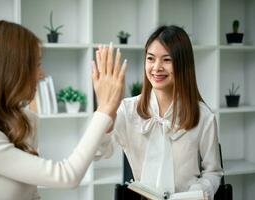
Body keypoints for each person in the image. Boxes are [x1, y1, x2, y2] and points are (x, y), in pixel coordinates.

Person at [0, 20, 127, 200]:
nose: (42, 75)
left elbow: (100, 153)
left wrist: (109, 112)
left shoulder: (25, 120)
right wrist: (104, 108)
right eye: (36, 65)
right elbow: (67, 176)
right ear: (9, 70)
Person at [95, 25, 223, 200]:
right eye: (150, 58)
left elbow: (213, 172)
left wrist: (197, 192)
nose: (156, 67)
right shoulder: (127, 109)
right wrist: (106, 112)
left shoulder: (203, 115)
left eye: (167, 60)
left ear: (183, 63)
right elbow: (99, 152)